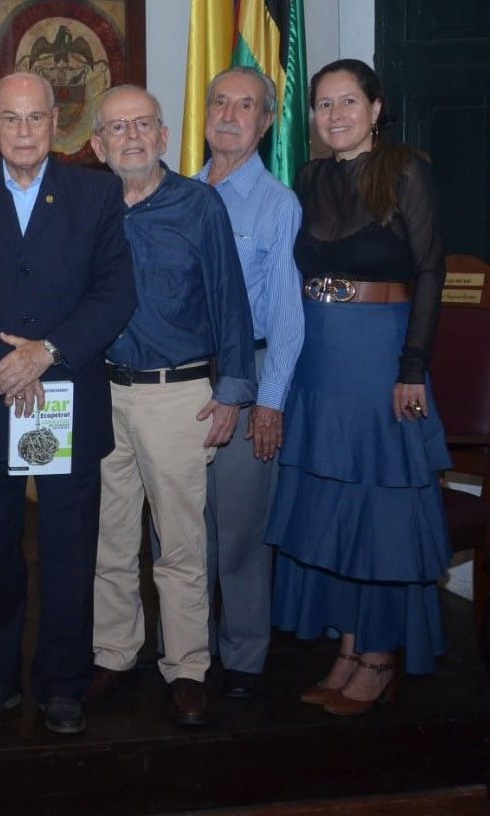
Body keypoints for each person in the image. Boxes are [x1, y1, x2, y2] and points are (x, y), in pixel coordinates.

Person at [0, 72, 135, 735]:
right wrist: (2, 365)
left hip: (68, 394)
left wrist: (46, 351)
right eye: (10, 119)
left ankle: (62, 682)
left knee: (69, 552)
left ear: (59, 122)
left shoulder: (97, 192)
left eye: (37, 117)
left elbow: (115, 293)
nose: (24, 131)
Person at [265, 59, 451, 713]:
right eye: (322, 104)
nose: (334, 114)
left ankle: (378, 654)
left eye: (348, 101)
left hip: (379, 359)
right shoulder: (311, 176)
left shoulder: (405, 169)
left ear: (376, 108)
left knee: (379, 511)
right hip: (318, 360)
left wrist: (411, 367)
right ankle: (345, 647)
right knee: (333, 510)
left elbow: (431, 271)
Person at [85, 85, 256, 728]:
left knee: (179, 543)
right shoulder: (90, 205)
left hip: (179, 395)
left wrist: (235, 390)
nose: (131, 137)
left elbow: (230, 301)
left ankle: (186, 666)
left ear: (163, 135)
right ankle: (113, 653)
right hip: (103, 392)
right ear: (97, 145)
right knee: (110, 538)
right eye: (116, 128)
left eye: (143, 125)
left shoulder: (199, 205)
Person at [194, 67, 305, 700]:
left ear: (266, 122)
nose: (230, 115)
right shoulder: (181, 192)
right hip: (185, 382)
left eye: (246, 106)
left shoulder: (276, 204)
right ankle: (188, 652)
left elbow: (290, 315)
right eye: (219, 102)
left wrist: (269, 402)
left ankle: (242, 661)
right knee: (183, 529)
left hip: (252, 372)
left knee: (238, 531)